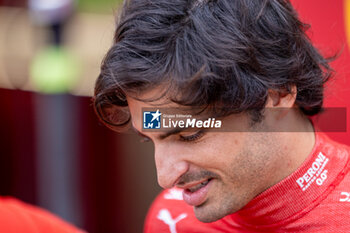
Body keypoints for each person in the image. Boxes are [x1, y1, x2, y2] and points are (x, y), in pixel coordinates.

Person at [93, 0, 350, 232]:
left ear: (278, 95)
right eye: (150, 139)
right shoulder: (171, 219)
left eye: (189, 134)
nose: (166, 178)